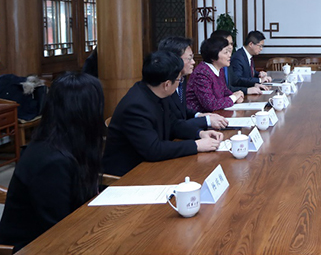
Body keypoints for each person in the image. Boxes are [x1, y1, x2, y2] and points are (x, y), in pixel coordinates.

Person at [0, 72, 105, 252]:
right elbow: (59, 231)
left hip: (66, 234)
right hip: (34, 247)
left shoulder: (65, 142)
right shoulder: (51, 162)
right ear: (85, 112)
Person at [102, 51, 224, 176]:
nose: (180, 82)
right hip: (129, 174)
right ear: (166, 84)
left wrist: (200, 133)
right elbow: (153, 149)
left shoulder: (158, 92)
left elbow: (174, 124)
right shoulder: (136, 106)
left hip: (152, 165)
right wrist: (196, 145)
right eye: (179, 79)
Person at [158, 36, 228, 129]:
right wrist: (206, 121)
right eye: (189, 58)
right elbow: (172, 123)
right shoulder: (163, 85)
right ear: (174, 59)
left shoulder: (181, 79)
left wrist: (199, 115)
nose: (194, 62)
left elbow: (182, 111)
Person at [186, 37, 245, 112]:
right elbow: (210, 104)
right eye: (226, 52)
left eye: (229, 52)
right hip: (199, 116)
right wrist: (233, 97)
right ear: (213, 56)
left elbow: (224, 91)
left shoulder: (219, 69)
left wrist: (237, 96)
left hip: (215, 114)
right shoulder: (202, 73)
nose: (230, 55)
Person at [210, 29, 269, 95]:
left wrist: (254, 84)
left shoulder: (227, 63)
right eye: (227, 44)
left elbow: (233, 83)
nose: (230, 47)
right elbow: (236, 82)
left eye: (231, 44)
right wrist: (248, 89)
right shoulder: (237, 57)